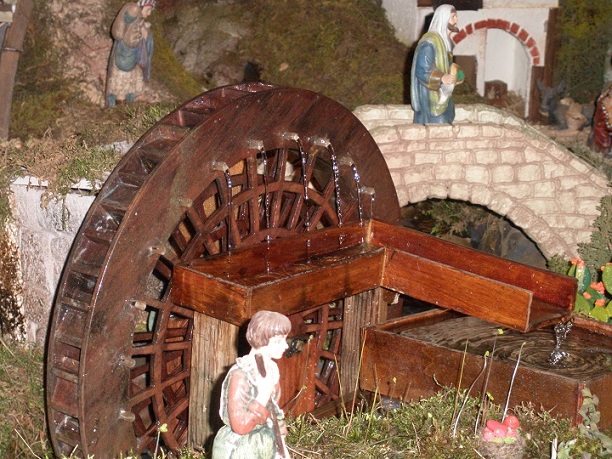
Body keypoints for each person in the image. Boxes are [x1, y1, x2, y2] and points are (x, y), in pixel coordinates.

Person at [212, 310, 292, 459]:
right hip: (242, 447)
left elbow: (272, 407)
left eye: (285, 339)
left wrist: (279, 426)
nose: (285, 346)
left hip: (266, 441)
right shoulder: (241, 376)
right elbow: (240, 426)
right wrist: (262, 396)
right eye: (278, 341)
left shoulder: (271, 369)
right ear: (261, 340)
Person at [410, 4, 464, 124]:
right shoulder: (429, 43)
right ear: (443, 18)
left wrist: (457, 75)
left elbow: (449, 67)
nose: (456, 20)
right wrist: (441, 77)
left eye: (456, 16)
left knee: (447, 118)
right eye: (453, 17)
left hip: (444, 93)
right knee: (438, 123)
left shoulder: (446, 43)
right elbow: (422, 70)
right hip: (430, 95)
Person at [105, 0, 156, 107]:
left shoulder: (142, 25)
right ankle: (118, 106)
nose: (149, 13)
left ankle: (127, 105)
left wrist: (144, 31)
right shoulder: (130, 20)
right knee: (120, 85)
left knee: (130, 86)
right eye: (148, 10)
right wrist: (135, 11)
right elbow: (130, 15)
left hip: (134, 61)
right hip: (123, 60)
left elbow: (147, 41)